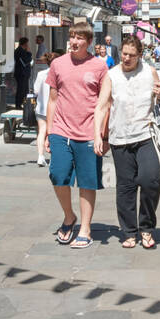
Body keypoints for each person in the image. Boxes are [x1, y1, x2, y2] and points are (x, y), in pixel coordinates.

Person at [95, 35, 160, 249]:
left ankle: (147, 227)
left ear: (140, 55)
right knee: (125, 187)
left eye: (132, 55)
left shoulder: (149, 71)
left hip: (146, 134)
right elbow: (102, 105)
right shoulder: (112, 75)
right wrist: (98, 134)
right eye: (124, 53)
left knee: (150, 180)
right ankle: (130, 232)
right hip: (120, 137)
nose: (126, 58)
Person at [46, 21, 109, 248]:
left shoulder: (100, 67)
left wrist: (103, 134)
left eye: (79, 38)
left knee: (87, 181)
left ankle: (85, 228)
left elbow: (105, 103)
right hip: (61, 130)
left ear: (89, 42)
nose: (74, 41)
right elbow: (53, 100)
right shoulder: (58, 64)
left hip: (88, 131)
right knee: (58, 175)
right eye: (72, 36)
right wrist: (47, 131)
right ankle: (69, 215)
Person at [31, 51, 54, 165]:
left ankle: (40, 156)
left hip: (41, 108)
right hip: (54, 110)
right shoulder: (58, 74)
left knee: (42, 132)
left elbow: (35, 90)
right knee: (53, 133)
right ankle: (54, 157)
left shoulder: (41, 74)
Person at [13, 36, 33, 107]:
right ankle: (18, 104)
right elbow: (25, 61)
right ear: (25, 44)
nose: (28, 45)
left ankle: (22, 103)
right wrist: (29, 53)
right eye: (27, 43)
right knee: (21, 89)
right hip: (21, 73)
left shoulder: (22, 51)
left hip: (24, 73)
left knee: (24, 89)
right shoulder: (19, 51)